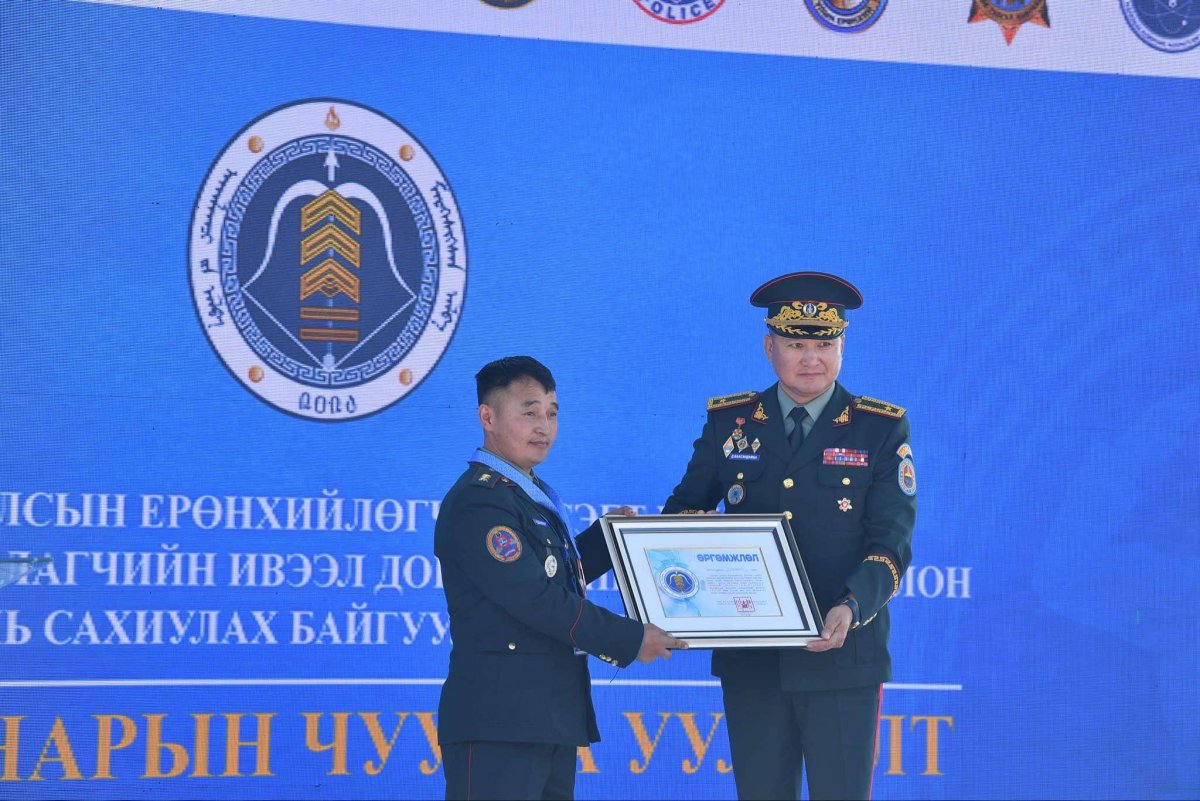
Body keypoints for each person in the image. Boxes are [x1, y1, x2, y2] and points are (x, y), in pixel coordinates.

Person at [661, 272, 916, 799]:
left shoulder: (879, 428)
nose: (811, 359)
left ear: (842, 347)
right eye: (796, 345)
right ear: (769, 347)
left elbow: (891, 542)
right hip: (753, 658)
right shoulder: (729, 423)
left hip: (842, 654)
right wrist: (694, 535)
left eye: (824, 345)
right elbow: (682, 511)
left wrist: (852, 606)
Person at [435, 356, 686, 801]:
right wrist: (630, 638)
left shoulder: (523, 496)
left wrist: (609, 539)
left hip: (547, 717)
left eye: (552, 413)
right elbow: (534, 597)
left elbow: (553, 576)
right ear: (487, 417)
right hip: (500, 721)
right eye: (529, 412)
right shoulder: (481, 501)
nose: (544, 426)